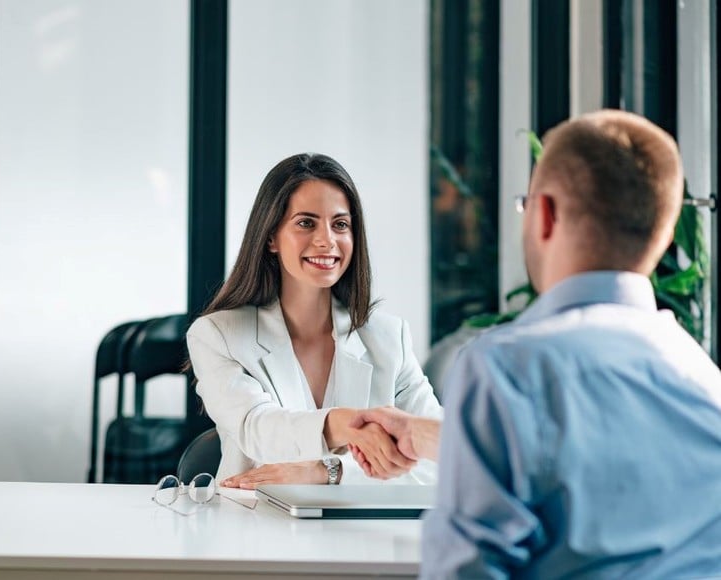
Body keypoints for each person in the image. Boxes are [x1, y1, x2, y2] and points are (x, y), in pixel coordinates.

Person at [351, 110, 721, 577]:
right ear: (665, 236)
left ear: (545, 214)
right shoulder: (703, 378)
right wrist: (420, 434)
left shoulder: (506, 369)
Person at [186, 153, 443, 488]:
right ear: (271, 237)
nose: (327, 240)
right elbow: (257, 429)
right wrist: (350, 425)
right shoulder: (217, 335)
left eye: (340, 224)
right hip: (253, 531)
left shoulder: (389, 337)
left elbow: (443, 459)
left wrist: (330, 472)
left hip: (361, 536)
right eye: (306, 223)